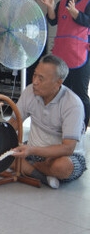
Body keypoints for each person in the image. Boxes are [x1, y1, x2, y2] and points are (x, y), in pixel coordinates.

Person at [8, 54, 87, 189]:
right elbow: (13, 123)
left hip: (64, 156)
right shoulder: (29, 92)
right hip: (33, 151)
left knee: (62, 167)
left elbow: (68, 148)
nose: (35, 82)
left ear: (58, 82)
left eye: (41, 78)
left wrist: (32, 150)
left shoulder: (73, 104)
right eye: (34, 75)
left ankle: (30, 169)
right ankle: (43, 176)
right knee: (4, 153)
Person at [41, 0, 90, 128]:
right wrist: (49, 6)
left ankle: (81, 127)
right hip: (61, 56)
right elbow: (54, 20)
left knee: (80, 94)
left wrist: (76, 13)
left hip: (79, 56)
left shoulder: (88, 2)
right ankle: (63, 125)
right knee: (61, 93)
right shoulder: (63, 1)